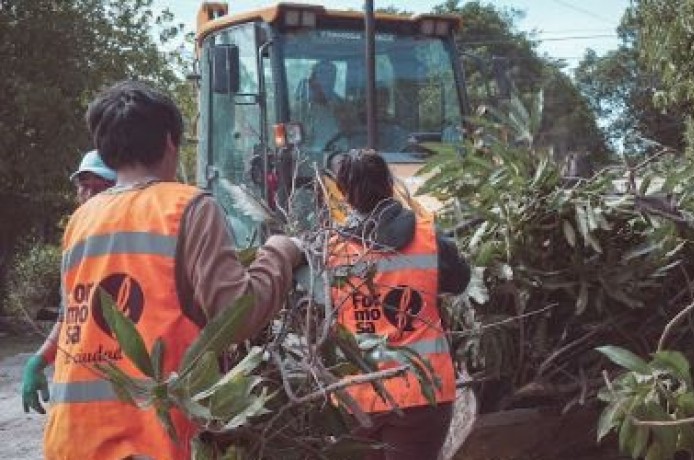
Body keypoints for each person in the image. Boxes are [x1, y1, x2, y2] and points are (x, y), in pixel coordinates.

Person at [29, 80, 301, 460]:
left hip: (72, 440)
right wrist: (280, 253)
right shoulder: (187, 207)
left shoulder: (81, 220)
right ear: (170, 141)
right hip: (153, 441)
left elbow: (76, 318)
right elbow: (234, 316)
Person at [327, 149, 470, 460]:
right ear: (389, 184)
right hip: (421, 393)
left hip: (357, 400)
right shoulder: (430, 239)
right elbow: (459, 281)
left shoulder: (329, 252)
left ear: (343, 192)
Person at [21, 150, 118, 415]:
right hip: (82, 406)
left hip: (131, 397)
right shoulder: (75, 242)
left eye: (99, 188)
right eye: (83, 187)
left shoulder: (138, 242)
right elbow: (70, 317)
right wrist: (39, 360)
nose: (89, 196)